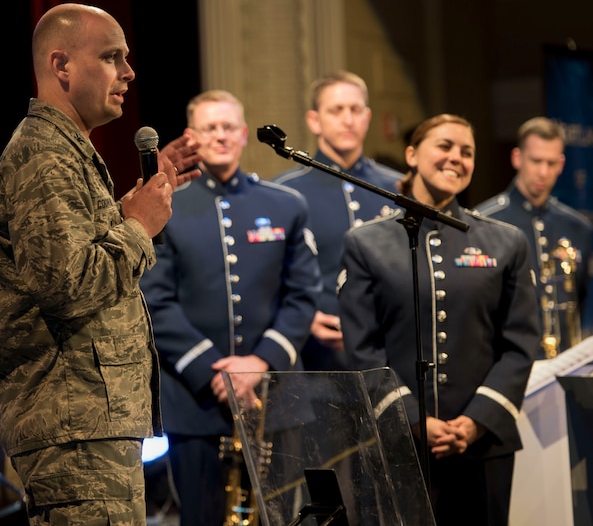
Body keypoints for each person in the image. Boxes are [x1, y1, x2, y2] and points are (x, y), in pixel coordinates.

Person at [0, 2, 202, 526]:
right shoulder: (44, 155)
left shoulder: (67, 150)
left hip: (89, 423)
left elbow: (77, 256)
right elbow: (69, 285)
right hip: (72, 424)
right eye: (111, 57)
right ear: (62, 66)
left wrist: (131, 207)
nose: (129, 73)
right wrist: (140, 226)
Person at [338, 113, 540, 526]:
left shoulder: (507, 241)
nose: (456, 158)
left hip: (482, 445)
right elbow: (363, 348)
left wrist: (476, 421)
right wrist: (411, 418)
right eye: (445, 146)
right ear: (412, 154)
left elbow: (520, 345)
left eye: (467, 152)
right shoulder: (365, 243)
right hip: (398, 440)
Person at [138, 89, 322, 526]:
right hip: (195, 400)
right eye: (209, 127)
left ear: (242, 135)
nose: (219, 135)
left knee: (278, 519)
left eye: (227, 127)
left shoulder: (285, 205)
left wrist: (260, 362)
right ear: (191, 137)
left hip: (273, 396)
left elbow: (302, 296)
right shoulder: (165, 208)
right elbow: (154, 300)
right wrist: (214, 372)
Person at [272, 70, 402, 372]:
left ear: (367, 117)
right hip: (319, 358)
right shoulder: (285, 192)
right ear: (314, 120)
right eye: (336, 110)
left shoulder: (399, 188)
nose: (348, 119)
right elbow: (268, 275)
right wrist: (305, 318)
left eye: (355, 110)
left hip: (392, 353)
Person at [474, 116, 592, 358]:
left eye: (551, 163)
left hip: (568, 365)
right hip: (504, 365)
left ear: (561, 164)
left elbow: (585, 300)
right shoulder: (482, 223)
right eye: (536, 161)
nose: (543, 172)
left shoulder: (578, 227)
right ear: (517, 158)